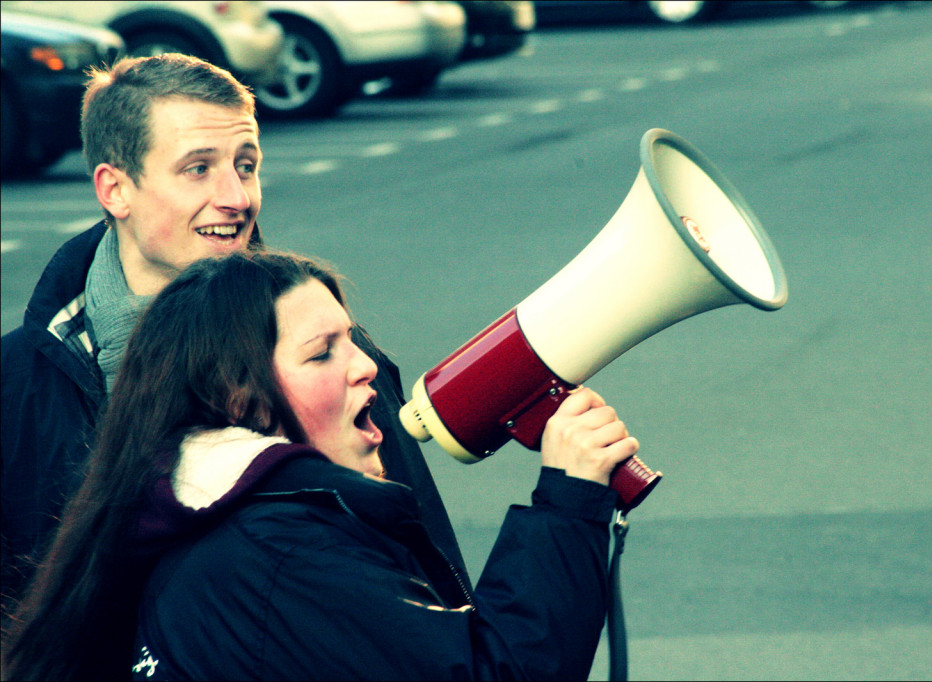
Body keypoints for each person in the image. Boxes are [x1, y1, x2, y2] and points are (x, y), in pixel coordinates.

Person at [0, 251, 640, 681]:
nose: (364, 366)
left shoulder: (231, 526)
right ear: (238, 397)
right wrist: (568, 499)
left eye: (352, 340)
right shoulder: (274, 557)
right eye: (321, 354)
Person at [0, 54, 466, 616]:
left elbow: (421, 568)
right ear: (115, 190)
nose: (238, 197)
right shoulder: (19, 380)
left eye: (246, 166)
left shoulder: (331, 354)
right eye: (198, 168)